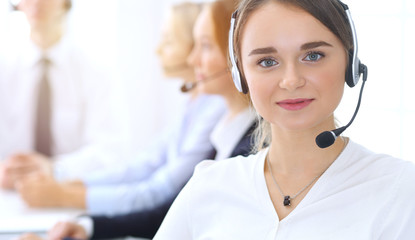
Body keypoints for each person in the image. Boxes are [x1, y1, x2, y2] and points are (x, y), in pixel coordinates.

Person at [154, 0, 415, 239]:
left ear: (350, 62)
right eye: (267, 61)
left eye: (313, 56)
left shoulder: (400, 190)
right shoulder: (208, 186)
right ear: (241, 75)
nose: (291, 81)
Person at [17, 0, 256, 239]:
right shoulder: (213, 119)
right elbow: (150, 168)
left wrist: (62, 193)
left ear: (235, 58)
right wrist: (70, 196)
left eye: (203, 46)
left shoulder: (229, 128)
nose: (193, 60)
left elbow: (162, 195)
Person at [0, 0, 130, 187]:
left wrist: (55, 170)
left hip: (71, 195)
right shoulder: (3, 69)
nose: (36, 2)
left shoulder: (96, 70)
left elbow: (112, 152)